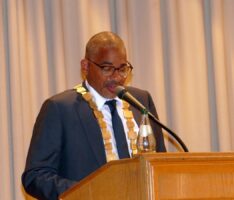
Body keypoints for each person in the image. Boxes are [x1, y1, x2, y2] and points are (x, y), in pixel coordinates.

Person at [22, 31, 166, 200]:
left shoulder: (140, 101)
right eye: (107, 69)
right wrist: (87, 191)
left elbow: (160, 162)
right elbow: (36, 176)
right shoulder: (60, 109)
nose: (117, 77)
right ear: (85, 66)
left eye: (122, 69)